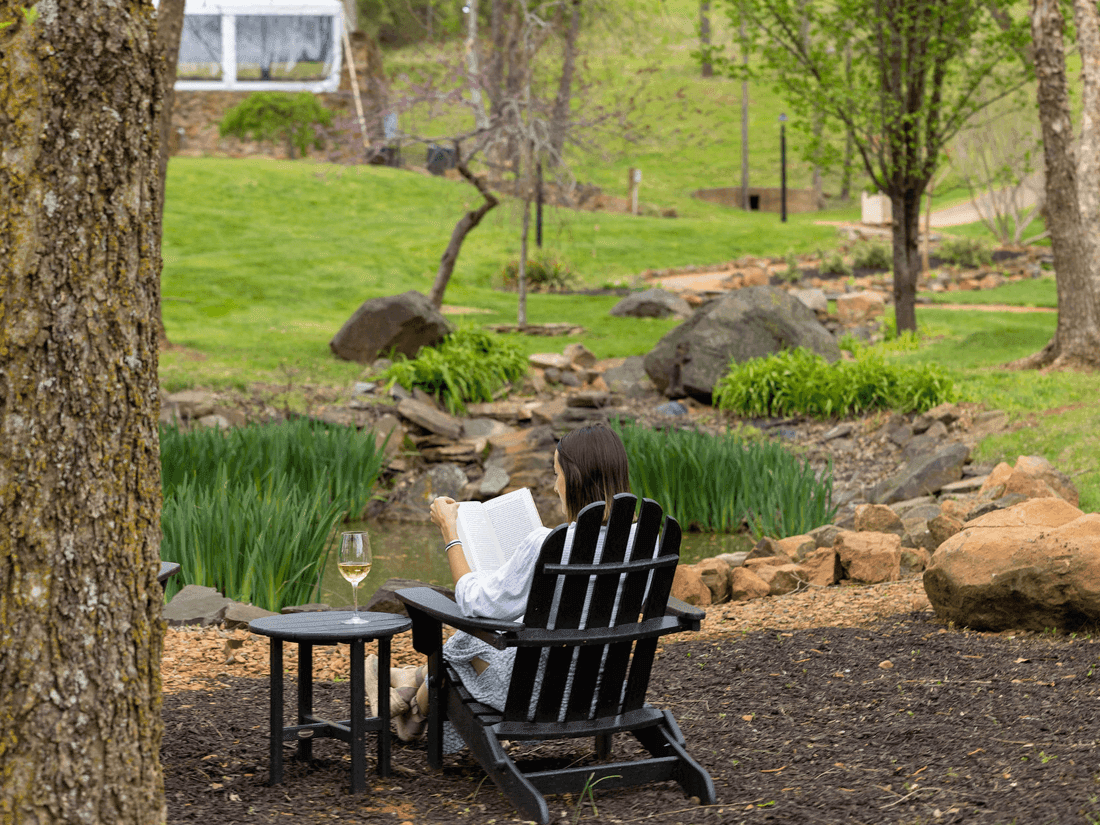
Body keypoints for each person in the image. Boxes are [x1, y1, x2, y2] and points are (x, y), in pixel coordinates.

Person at [365, 422, 633, 744]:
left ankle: (416, 698)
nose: (553, 487)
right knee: (508, 627)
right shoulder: (643, 543)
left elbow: (474, 604)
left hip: (537, 698)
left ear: (574, 479)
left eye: (556, 474)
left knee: (465, 639)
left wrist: (451, 533)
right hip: (603, 691)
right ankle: (411, 687)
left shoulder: (547, 545)